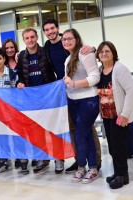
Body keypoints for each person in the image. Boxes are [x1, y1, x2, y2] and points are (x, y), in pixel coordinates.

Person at [42, 18, 102, 173]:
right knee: (73, 128)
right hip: (65, 92)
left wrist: (93, 48)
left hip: (83, 92)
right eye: (47, 30)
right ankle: (79, 159)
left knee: (87, 128)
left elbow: (87, 55)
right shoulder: (47, 47)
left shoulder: (68, 41)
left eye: (52, 29)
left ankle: (96, 160)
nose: (50, 32)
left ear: (58, 28)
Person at [62, 28, 100, 183]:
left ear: (77, 39)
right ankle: (92, 168)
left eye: (69, 38)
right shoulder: (69, 58)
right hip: (73, 100)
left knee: (79, 135)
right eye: (64, 39)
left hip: (88, 100)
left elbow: (95, 77)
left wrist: (75, 83)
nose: (66, 41)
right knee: (86, 135)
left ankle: (81, 167)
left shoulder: (86, 53)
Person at [17, 28, 56, 175]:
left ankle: (58, 158)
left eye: (32, 37)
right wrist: (20, 83)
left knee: (53, 128)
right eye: (27, 38)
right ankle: (42, 159)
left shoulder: (46, 51)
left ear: (37, 37)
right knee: (37, 131)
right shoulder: (21, 56)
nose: (30, 40)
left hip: (48, 97)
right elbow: (21, 75)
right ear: (24, 40)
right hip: (31, 100)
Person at [96, 41, 133, 189]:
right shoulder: (100, 70)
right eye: (101, 52)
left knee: (119, 146)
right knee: (112, 146)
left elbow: (131, 91)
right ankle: (120, 175)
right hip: (107, 115)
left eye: (107, 51)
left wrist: (125, 114)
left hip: (119, 115)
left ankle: (122, 175)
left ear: (113, 53)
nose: (104, 54)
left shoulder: (120, 69)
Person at [0, 49, 18, 173]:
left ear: (4, 59)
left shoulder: (13, 74)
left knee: (15, 135)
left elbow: (16, 92)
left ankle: (21, 159)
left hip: (12, 110)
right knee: (2, 136)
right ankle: (4, 160)